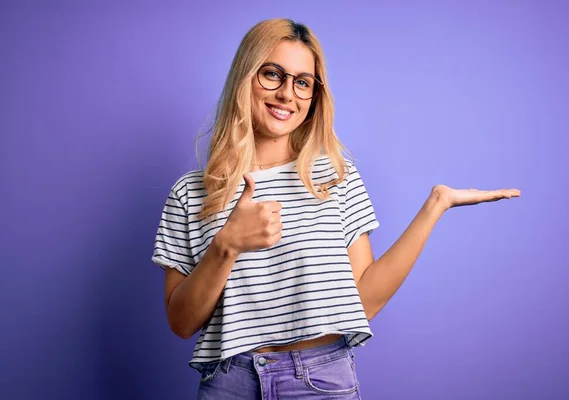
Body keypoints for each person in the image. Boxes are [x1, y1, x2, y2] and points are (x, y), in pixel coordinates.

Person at [151, 18, 520, 399]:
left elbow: (366, 302)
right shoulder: (192, 192)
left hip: (319, 380)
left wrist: (435, 206)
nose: (286, 94)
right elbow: (181, 323)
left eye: (302, 82)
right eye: (272, 74)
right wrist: (226, 245)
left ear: (313, 97)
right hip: (230, 383)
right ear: (245, 76)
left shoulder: (334, 177)